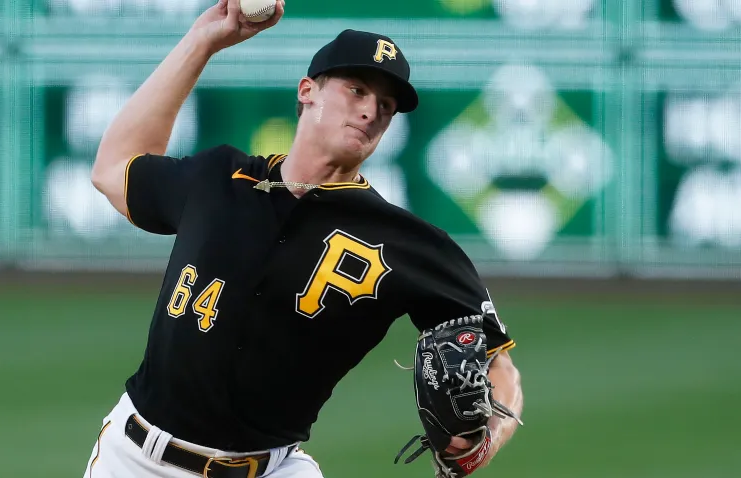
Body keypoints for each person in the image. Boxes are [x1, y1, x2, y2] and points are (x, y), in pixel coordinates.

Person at [86, 0, 523, 477]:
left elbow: (500, 367)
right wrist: (202, 41)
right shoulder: (218, 178)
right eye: (356, 90)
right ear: (307, 91)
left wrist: (483, 443)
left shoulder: (408, 242)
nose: (370, 111)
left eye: (386, 106)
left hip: (272, 468)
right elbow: (113, 168)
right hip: (136, 460)